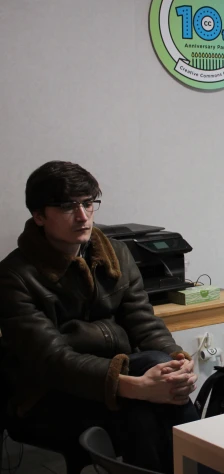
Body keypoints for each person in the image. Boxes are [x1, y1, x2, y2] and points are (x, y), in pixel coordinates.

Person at [0, 161, 199, 473]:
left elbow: (143, 322)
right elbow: (52, 360)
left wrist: (177, 359)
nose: (83, 216)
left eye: (88, 203)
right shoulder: (15, 276)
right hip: (45, 393)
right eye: (68, 207)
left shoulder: (116, 254)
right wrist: (135, 387)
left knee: (164, 378)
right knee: (141, 407)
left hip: (122, 374)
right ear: (39, 216)